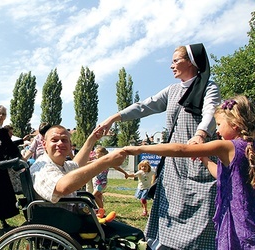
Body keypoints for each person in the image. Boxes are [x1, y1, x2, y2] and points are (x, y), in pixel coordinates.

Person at [99, 43, 221, 249]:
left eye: (176, 60)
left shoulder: (209, 87)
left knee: (203, 211)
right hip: (173, 164)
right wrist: (114, 117)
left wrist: (200, 135)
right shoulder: (172, 91)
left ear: (191, 62)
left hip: (197, 161)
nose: (171, 65)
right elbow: (144, 105)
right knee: (169, 211)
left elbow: (210, 112)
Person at [122, 95, 255, 249]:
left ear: (235, 124)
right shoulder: (249, 146)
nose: (217, 130)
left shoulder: (228, 146)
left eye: (218, 124)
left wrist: (138, 149)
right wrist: (205, 159)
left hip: (238, 219)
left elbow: (181, 149)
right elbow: (221, 175)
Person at [30, 125, 144, 242]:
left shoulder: (61, 165)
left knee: (127, 231)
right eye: (54, 140)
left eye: (64, 140)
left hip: (72, 219)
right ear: (44, 144)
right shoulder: (42, 166)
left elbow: (78, 164)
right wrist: (106, 161)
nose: (60, 143)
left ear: (70, 145)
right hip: (62, 225)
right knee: (135, 235)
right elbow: (63, 187)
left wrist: (92, 138)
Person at [89, 146, 127, 214]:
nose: (95, 154)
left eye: (97, 153)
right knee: (99, 196)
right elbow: (87, 163)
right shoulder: (95, 161)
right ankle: (101, 211)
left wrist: (125, 173)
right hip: (95, 182)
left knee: (93, 195)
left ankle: (101, 211)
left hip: (102, 183)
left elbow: (117, 167)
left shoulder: (107, 162)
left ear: (103, 154)